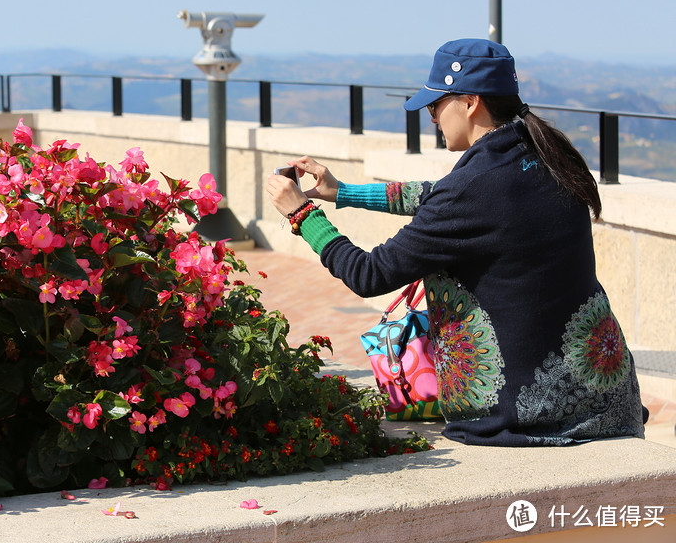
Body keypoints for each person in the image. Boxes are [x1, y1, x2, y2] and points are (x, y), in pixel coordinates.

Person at [265, 38, 647, 446]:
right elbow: (439, 195)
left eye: (434, 105)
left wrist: (301, 215)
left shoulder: (475, 187)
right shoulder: (547, 155)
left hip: (536, 420)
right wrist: (343, 192)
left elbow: (369, 274)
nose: (431, 118)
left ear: (470, 102)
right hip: (609, 399)